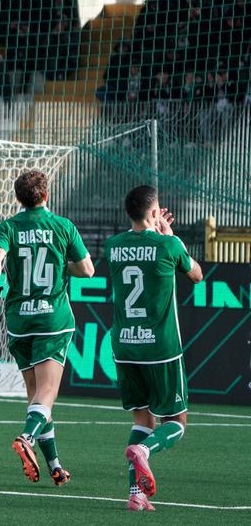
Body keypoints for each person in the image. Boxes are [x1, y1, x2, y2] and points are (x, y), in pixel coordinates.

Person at [0, 170, 94, 486]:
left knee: (36, 397)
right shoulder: (62, 226)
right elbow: (87, 270)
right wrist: (64, 266)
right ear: (46, 195)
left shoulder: (7, 227)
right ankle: (27, 438)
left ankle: (55, 466)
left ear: (19, 198)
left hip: (19, 322)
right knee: (48, 392)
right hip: (52, 320)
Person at [105, 186, 203, 511]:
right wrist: (171, 235)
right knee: (176, 423)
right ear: (152, 213)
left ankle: (136, 493)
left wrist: (158, 234)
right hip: (160, 347)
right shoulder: (169, 244)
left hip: (125, 345)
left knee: (141, 420)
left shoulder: (113, 246)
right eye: (158, 209)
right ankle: (146, 451)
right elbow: (196, 275)